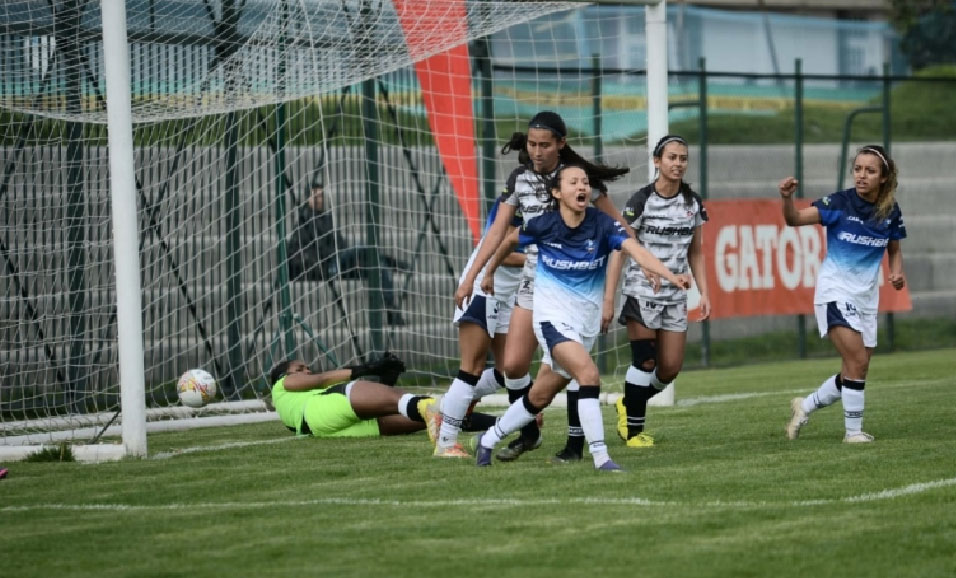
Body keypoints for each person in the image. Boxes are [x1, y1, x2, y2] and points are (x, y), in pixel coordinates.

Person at [473, 165, 691, 471]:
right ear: (557, 193)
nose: (582, 187)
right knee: (589, 377)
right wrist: (489, 272)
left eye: (585, 182)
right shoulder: (544, 224)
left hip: (584, 326)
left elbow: (635, 249)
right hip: (552, 321)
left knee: (539, 395)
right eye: (573, 182)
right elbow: (508, 241)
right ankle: (602, 457)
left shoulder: (601, 223)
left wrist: (669, 275)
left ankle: (487, 439)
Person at [454, 110, 631, 464]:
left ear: (560, 144)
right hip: (534, 283)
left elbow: (623, 235)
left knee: (575, 369)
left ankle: (579, 446)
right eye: (532, 144)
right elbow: (498, 233)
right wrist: (474, 275)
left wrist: (610, 294)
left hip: (576, 287)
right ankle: (527, 429)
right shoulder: (520, 180)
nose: (536, 151)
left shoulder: (581, 182)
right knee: (515, 368)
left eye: (544, 145)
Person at [782, 145, 907, 443]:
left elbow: (895, 248)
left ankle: (806, 405)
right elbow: (795, 219)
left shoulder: (889, 210)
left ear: (883, 177)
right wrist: (786, 198)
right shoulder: (839, 203)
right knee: (857, 361)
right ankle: (853, 432)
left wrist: (896, 271)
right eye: (858, 169)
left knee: (857, 367)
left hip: (866, 298)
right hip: (835, 292)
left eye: (870, 171)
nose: (862, 176)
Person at [604, 135, 711, 449]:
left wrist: (705, 293)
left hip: (674, 297)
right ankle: (634, 432)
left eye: (682, 158)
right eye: (671, 158)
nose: (677, 163)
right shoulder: (641, 201)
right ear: (657, 161)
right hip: (641, 291)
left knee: (669, 368)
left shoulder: (693, 203)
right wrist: (609, 298)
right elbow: (620, 249)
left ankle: (628, 403)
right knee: (645, 362)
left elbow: (697, 252)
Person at [434, 194, 528, 457]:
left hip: (510, 292)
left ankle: (444, 407)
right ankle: (446, 442)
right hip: (483, 287)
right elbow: (504, 253)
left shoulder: (551, 203)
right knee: (472, 367)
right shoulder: (514, 198)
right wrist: (543, 257)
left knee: (508, 369)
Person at [287, 183, 407, 326]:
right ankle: (395, 264)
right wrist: (336, 252)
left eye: (321, 196)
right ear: (308, 199)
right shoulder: (304, 221)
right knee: (362, 246)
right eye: (315, 196)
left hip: (337, 261)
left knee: (379, 267)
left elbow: (341, 243)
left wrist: (342, 254)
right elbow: (310, 252)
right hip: (325, 267)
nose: (319, 200)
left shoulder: (327, 219)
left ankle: (391, 310)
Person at [268, 353, 438, 438]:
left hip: (322, 430)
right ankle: (448, 406)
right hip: (321, 411)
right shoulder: (282, 383)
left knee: (423, 417)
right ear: (284, 375)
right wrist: (368, 368)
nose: (307, 371)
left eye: (307, 368)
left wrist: (385, 383)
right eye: (300, 369)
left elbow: (368, 404)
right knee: (408, 402)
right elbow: (322, 378)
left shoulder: (290, 404)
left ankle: (455, 417)